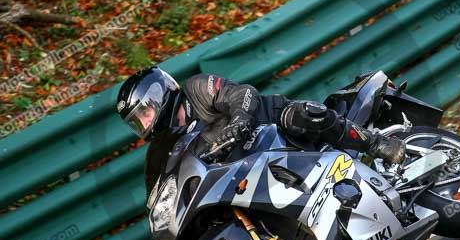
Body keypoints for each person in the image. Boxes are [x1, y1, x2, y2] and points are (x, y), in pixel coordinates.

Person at [116, 66, 406, 197]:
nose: (143, 123)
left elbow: (242, 94)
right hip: (252, 170)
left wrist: (240, 121)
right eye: (136, 121)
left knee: (304, 115)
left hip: (272, 123)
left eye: (144, 112)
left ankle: (378, 144)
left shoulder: (196, 89)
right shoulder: (172, 144)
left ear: (157, 96)